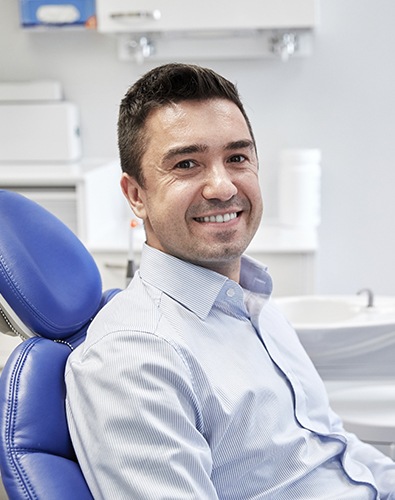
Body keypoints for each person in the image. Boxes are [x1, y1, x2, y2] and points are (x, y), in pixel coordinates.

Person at [65, 63, 395, 499]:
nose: (222, 186)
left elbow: (336, 449)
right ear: (136, 196)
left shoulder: (252, 302)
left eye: (237, 158)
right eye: (187, 164)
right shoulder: (135, 359)